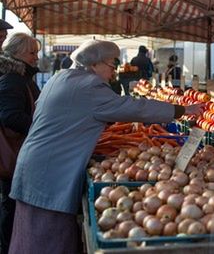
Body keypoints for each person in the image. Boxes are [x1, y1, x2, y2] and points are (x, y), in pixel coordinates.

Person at [8, 40, 203, 254]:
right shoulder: (90, 86)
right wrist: (181, 110)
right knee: (46, 240)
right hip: (52, 173)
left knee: (29, 236)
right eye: (112, 65)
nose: (114, 71)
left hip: (34, 165)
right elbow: (133, 107)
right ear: (94, 64)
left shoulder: (61, 77)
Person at [0, 33, 40, 254]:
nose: (36, 57)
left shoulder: (21, 76)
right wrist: (39, 130)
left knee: (13, 202)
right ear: (16, 54)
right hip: (16, 151)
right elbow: (10, 116)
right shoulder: (13, 79)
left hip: (22, 151)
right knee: (12, 203)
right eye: (32, 52)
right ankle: (8, 248)